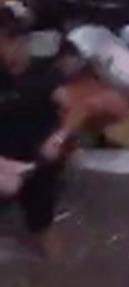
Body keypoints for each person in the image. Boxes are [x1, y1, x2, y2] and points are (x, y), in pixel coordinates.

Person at [0, 7, 84, 257]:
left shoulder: (43, 76)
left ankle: (61, 282)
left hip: (37, 166)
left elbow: (76, 108)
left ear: (18, 42)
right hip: (3, 165)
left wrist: (59, 137)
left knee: (45, 234)